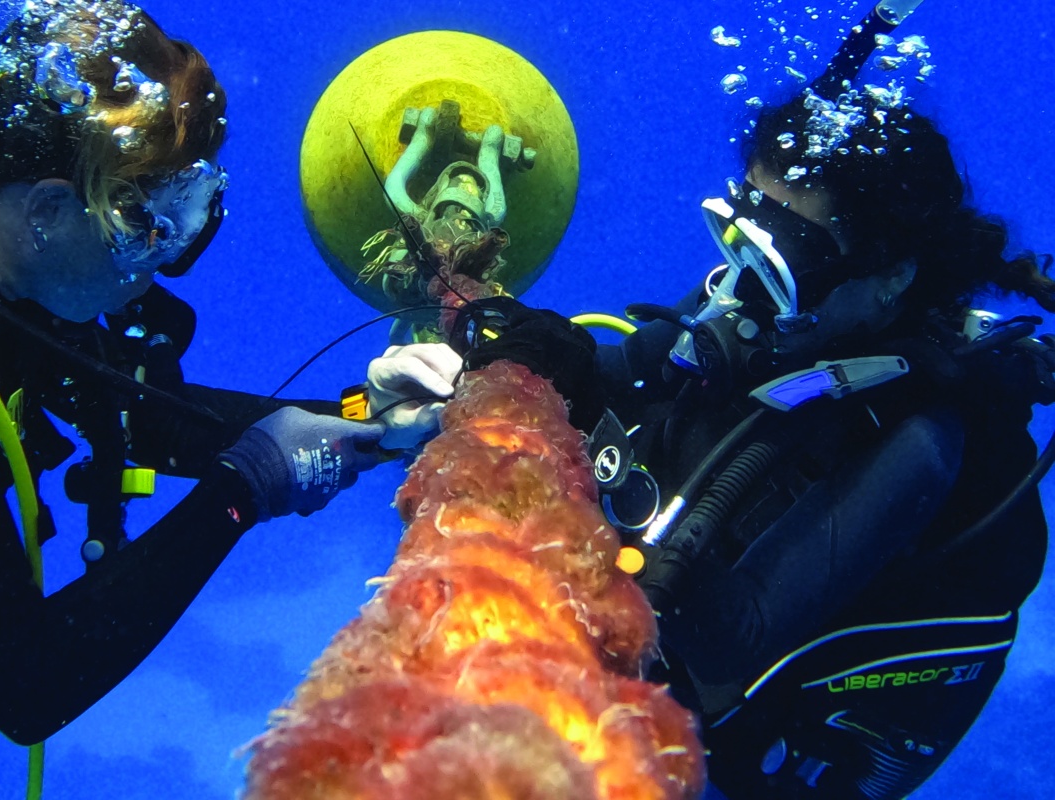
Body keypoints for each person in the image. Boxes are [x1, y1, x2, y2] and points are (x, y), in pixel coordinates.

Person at [0, 1, 449, 746]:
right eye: (143, 228)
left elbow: (141, 415)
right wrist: (243, 491)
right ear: (48, 209)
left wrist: (372, 413)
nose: (156, 271)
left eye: (187, 219)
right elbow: (25, 680)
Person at [443, 87, 1053, 799]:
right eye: (742, 233)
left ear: (890, 279)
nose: (741, 289)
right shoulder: (753, 309)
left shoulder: (922, 437)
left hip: (735, 738)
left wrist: (613, 476)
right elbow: (624, 376)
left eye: (785, 261)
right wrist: (543, 359)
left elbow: (736, 635)